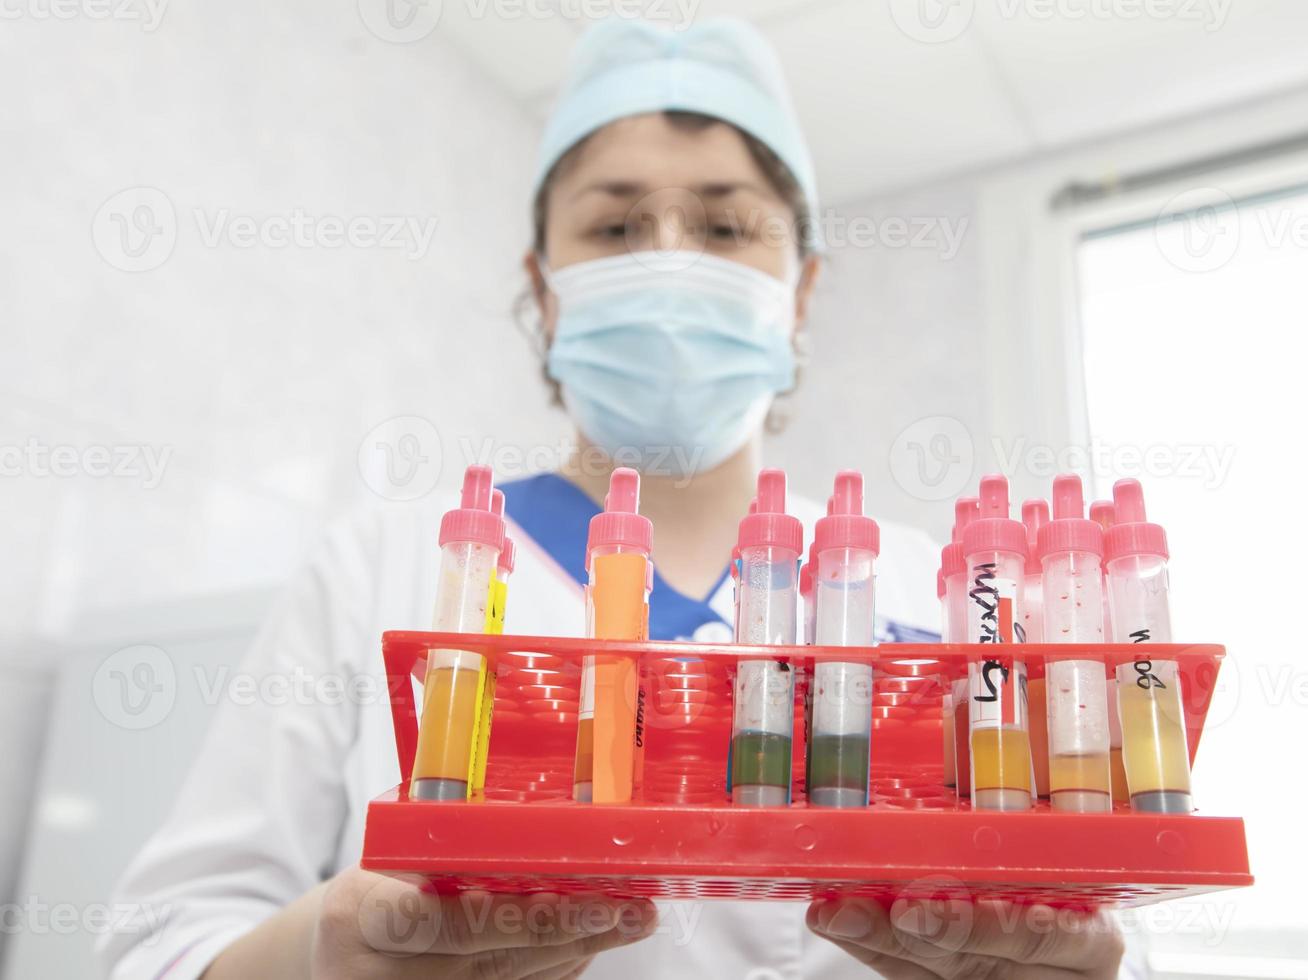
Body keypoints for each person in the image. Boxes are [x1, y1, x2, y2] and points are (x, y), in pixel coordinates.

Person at [100, 18, 1135, 980]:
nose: (671, 260)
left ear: (801, 290)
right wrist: (314, 953)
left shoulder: (935, 588)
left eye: (726, 226)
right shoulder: (384, 564)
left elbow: (1082, 909)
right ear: (545, 287)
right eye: (616, 224)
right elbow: (155, 941)